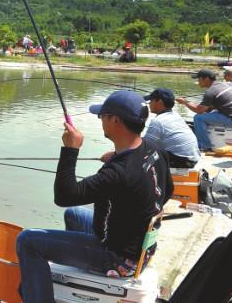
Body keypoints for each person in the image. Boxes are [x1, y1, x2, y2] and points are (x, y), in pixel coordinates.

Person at [15, 91, 173, 301]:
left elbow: (64, 196)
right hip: (143, 248)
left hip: (118, 259)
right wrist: (117, 158)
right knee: (74, 214)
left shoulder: (118, 173)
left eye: (103, 116)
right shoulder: (154, 148)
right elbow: (168, 190)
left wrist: (70, 149)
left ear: (115, 120)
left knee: (27, 241)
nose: (100, 121)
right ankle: (73, 279)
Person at [176, 69, 232, 152]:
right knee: (207, 113)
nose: (198, 82)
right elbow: (208, 108)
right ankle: (206, 139)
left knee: (198, 118)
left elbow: (199, 110)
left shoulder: (211, 91)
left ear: (206, 79)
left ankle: (204, 145)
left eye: (199, 79)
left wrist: (185, 102)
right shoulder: (221, 85)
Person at [142, 88, 200, 168]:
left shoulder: (158, 121)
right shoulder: (175, 115)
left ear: (159, 102)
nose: (149, 104)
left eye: (151, 101)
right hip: (193, 158)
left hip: (182, 161)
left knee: (142, 155)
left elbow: (146, 146)